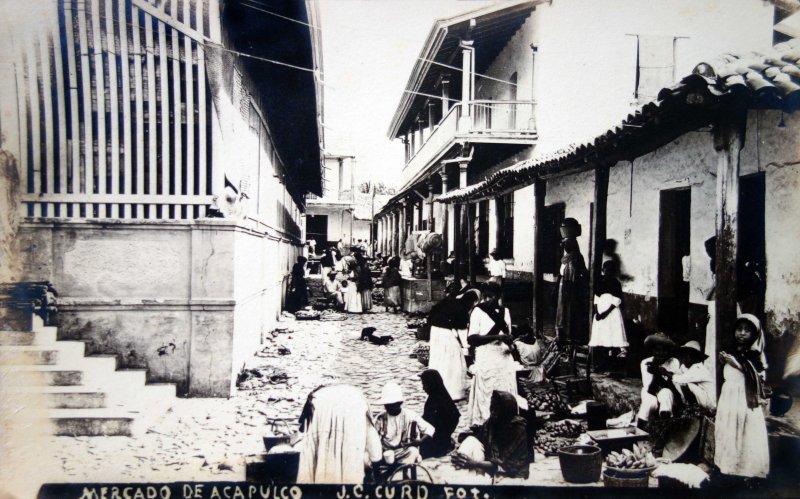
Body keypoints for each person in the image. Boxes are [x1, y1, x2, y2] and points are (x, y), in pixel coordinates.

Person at [714, 314, 769, 480]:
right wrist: (723, 361)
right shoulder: (731, 349)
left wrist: (735, 364)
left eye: (747, 330)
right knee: (728, 427)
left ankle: (746, 468)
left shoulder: (755, 353)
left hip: (744, 396)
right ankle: (727, 465)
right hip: (729, 394)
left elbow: (757, 375)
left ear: (755, 334)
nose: (742, 333)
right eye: (739, 329)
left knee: (745, 428)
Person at [296, 384, 382, 484]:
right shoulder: (359, 401)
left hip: (320, 409)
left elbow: (302, 434)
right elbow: (373, 445)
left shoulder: (315, 399)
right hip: (347, 473)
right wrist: (377, 469)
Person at [467, 282, 521, 426]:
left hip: (503, 357)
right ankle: (486, 422)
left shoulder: (505, 311)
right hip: (487, 356)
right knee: (487, 390)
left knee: (505, 388)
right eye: (485, 297)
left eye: (491, 296)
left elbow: (508, 333)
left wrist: (510, 341)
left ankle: (506, 421)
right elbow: (472, 338)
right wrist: (497, 337)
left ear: (498, 296)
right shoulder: (477, 311)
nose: (487, 300)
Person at [452, 390, 529, 479]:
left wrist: (473, 463)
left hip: (512, 473)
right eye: (492, 406)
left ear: (506, 410)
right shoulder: (493, 422)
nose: (492, 411)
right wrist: (461, 456)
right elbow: (480, 437)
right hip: (492, 466)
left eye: (496, 408)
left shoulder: (518, 429)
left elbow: (504, 464)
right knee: (470, 441)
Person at [428, 290, 480, 401]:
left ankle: (438, 390)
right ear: (473, 302)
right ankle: (453, 392)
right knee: (452, 361)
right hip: (445, 334)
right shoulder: (462, 309)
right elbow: (462, 332)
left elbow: (433, 312)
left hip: (435, 331)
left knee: (439, 360)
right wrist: (468, 346)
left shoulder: (451, 301)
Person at [374, 382, 435, 465]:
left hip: (403, 451)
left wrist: (420, 441)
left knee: (413, 451)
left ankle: (395, 468)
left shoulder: (410, 415)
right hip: (385, 453)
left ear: (399, 403)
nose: (388, 407)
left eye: (392, 405)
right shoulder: (380, 418)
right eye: (386, 405)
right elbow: (373, 438)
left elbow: (430, 429)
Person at [589, 260, 629, 371]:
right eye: (606, 270)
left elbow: (617, 300)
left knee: (611, 338)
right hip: (600, 312)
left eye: (611, 270)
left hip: (611, 313)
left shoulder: (615, 282)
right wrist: (597, 312)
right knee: (602, 338)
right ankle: (602, 364)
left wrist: (606, 313)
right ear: (603, 270)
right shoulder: (600, 281)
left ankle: (612, 365)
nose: (608, 272)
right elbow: (596, 298)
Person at [637, 333, 682, 426]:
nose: (661, 353)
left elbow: (672, 386)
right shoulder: (645, 362)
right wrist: (657, 373)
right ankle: (640, 431)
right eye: (657, 350)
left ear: (669, 351)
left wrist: (657, 372)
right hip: (650, 392)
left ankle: (664, 427)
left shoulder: (674, 362)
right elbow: (651, 390)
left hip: (667, 392)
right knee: (649, 402)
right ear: (652, 351)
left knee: (666, 393)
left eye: (665, 350)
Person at [419, 370, 461, 459]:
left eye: (425, 385)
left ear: (431, 385)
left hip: (438, 442)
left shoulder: (442, 402)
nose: (423, 388)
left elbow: (453, 419)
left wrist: (443, 435)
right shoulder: (432, 400)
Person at [556, 237, 590, 346]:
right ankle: (563, 335)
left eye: (567, 244)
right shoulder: (565, 258)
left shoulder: (577, 258)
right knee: (563, 310)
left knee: (571, 311)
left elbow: (581, 274)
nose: (565, 247)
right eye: (564, 245)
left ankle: (571, 336)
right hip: (563, 286)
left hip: (572, 289)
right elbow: (561, 274)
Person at [672, 341, 716, 413]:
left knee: (684, 384)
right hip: (703, 399)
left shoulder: (698, 368)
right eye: (684, 355)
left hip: (709, 403)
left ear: (696, 357)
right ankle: (688, 407)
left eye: (689, 355)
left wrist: (667, 373)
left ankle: (690, 408)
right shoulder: (687, 368)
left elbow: (682, 379)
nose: (685, 358)